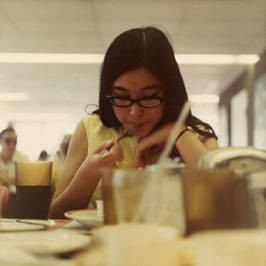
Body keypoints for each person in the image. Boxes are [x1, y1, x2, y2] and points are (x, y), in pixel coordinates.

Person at [49, 26, 219, 218]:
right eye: (122, 97)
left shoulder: (195, 134)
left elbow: (225, 204)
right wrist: (89, 173)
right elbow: (54, 217)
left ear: (169, 92)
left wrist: (177, 133)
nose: (134, 112)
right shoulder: (91, 129)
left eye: (148, 97)